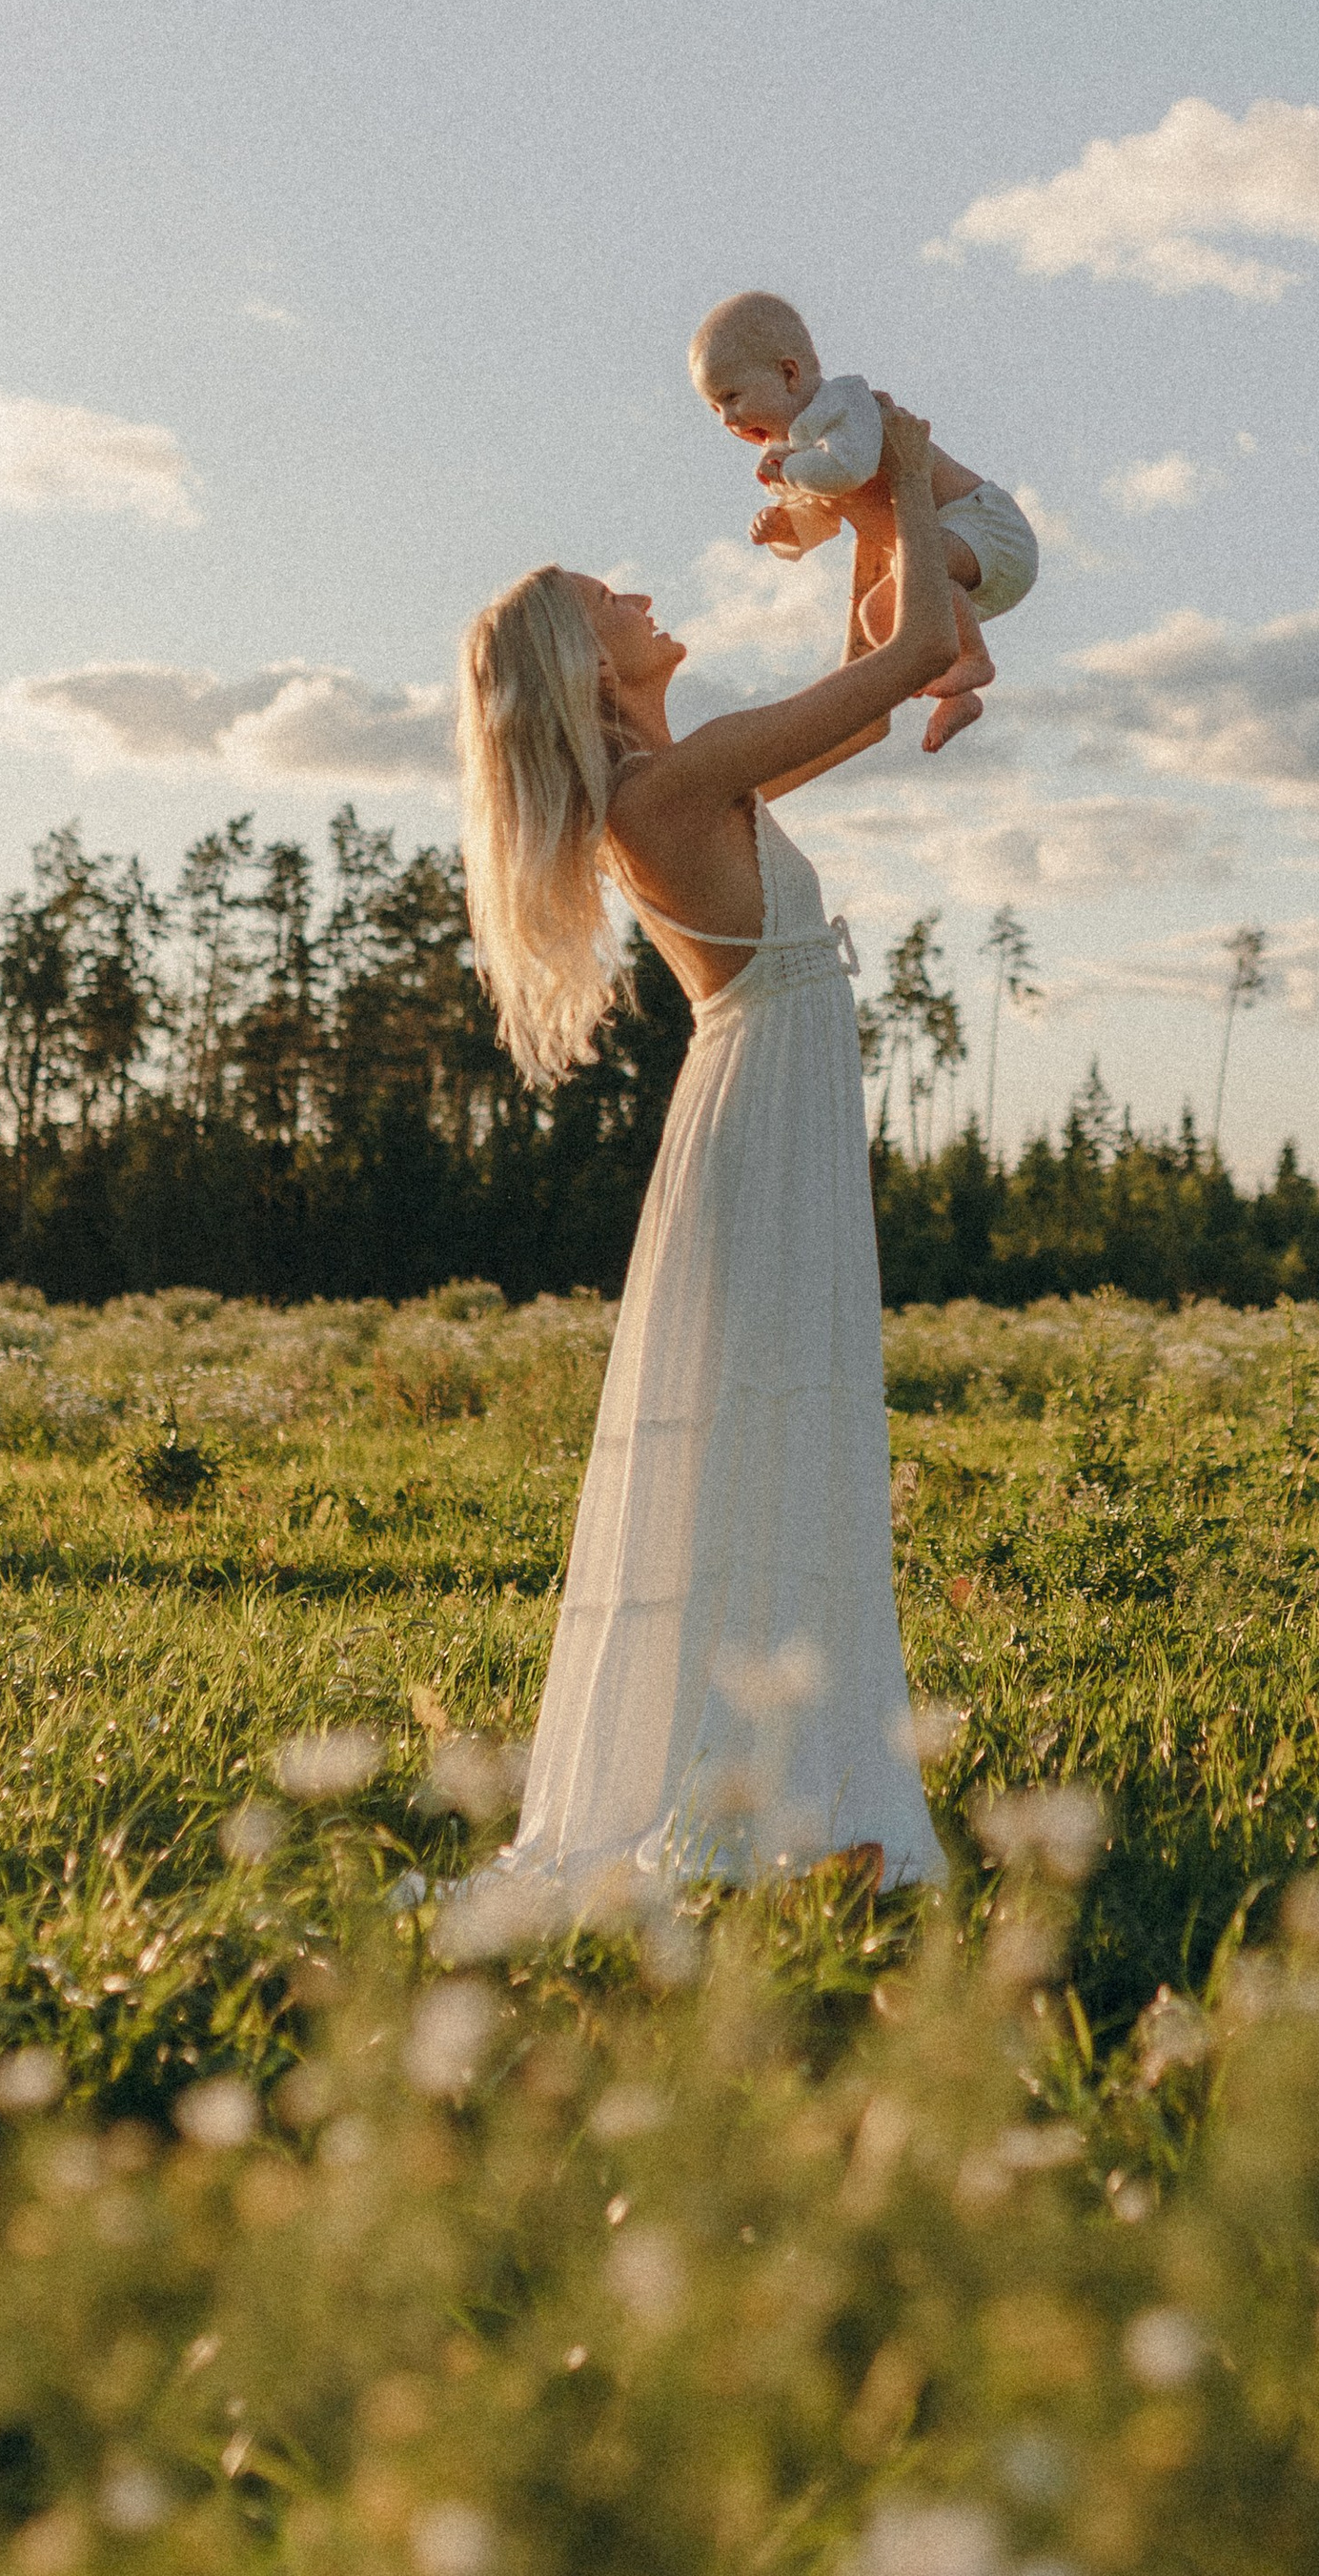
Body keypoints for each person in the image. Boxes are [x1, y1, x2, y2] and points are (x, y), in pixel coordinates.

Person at [452, 396, 957, 1912]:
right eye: (620, 603)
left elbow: (869, 698)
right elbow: (920, 656)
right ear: (589, 666)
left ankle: (782, 1774)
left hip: (766, 1099)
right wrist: (913, 476)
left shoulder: (687, 775)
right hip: (763, 1115)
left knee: (778, 1431)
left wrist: (876, 523)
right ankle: (761, 1790)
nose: (648, 600)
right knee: (772, 1427)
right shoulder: (665, 793)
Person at [688, 289, 1040, 751]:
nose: (727, 419)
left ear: (789, 373)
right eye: (715, 408)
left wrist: (788, 470)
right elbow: (822, 515)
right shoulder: (792, 452)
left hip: (985, 528)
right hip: (946, 564)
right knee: (879, 616)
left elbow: (848, 470)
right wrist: (784, 525)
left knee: (920, 567)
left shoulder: (844, 406)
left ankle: (974, 657)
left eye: (732, 397)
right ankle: (961, 694)